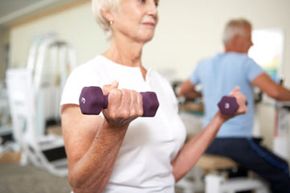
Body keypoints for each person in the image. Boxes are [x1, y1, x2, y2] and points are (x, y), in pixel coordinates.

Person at [60, 1, 247, 193]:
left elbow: (168, 172)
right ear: (108, 12)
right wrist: (114, 128)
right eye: (142, 1)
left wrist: (220, 118)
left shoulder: (161, 84)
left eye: (156, 3)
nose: (153, 10)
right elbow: (83, 187)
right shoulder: (86, 77)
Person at [178, 18, 290, 193]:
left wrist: (203, 95)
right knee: (283, 168)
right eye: (249, 38)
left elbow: (184, 90)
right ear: (236, 39)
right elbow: (275, 92)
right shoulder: (245, 63)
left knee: (248, 166)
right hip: (236, 142)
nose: (252, 43)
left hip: (209, 140)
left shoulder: (204, 64)